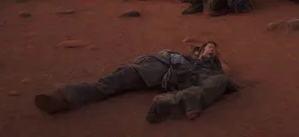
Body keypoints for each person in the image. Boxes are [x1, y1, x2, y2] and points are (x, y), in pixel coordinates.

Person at [34, 40, 236, 123]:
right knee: (110, 83)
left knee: (219, 82)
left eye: (214, 49)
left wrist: (217, 63)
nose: (211, 49)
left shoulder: (213, 70)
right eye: (208, 47)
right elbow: (160, 56)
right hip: (153, 70)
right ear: (198, 51)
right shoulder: (181, 57)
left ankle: (171, 103)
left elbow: (225, 73)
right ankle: (64, 98)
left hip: (177, 83)